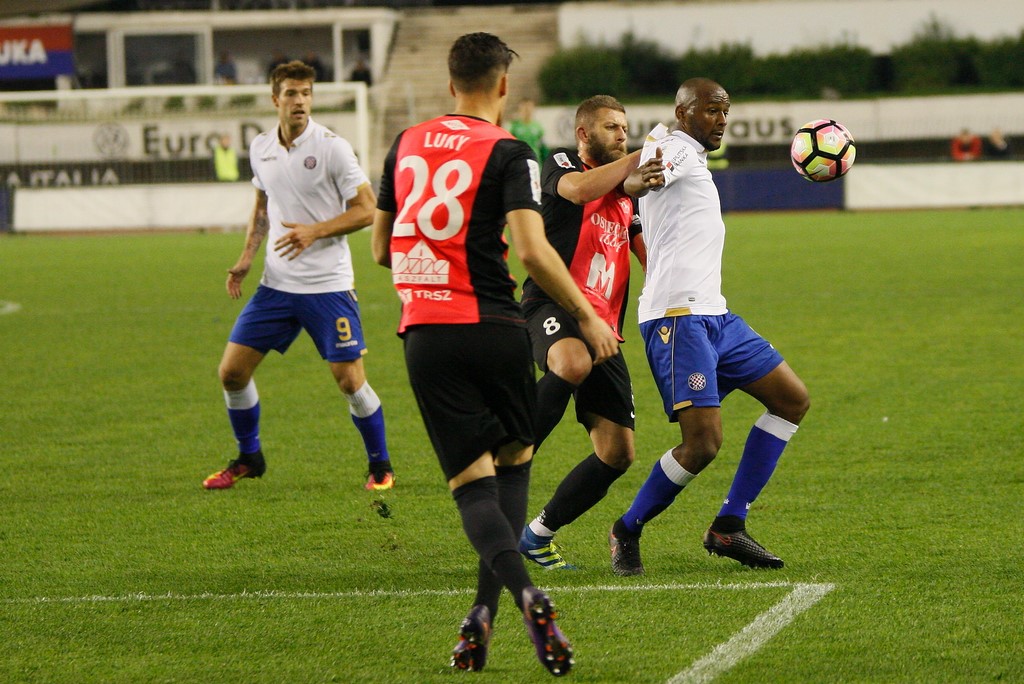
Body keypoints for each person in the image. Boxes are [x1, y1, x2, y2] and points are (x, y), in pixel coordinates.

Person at [372, 32, 618, 676]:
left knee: (471, 489)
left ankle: (506, 602)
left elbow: (378, 248)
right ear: (503, 86)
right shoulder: (512, 152)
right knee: (512, 469)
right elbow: (534, 251)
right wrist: (587, 315)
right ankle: (498, 607)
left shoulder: (403, 145)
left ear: (450, 83)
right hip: (496, 326)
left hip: (426, 334)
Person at [608, 77, 810, 575]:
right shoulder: (673, 148)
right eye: (712, 110)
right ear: (683, 113)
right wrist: (638, 180)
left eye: (726, 111)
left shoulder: (689, 153)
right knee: (703, 444)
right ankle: (627, 529)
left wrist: (642, 179)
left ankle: (729, 526)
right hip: (678, 317)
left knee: (791, 400)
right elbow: (640, 176)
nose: (722, 119)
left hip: (716, 315)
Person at [203, 60, 395, 493]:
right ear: (276, 99)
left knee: (350, 381)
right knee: (231, 373)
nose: (301, 101)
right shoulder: (261, 147)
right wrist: (246, 257)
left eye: (307, 93)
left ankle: (380, 464)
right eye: (292, 93)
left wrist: (316, 231)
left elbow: (367, 209)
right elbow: (262, 206)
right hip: (276, 286)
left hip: (328, 286)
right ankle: (250, 457)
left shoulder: (332, 147)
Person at [517, 95, 658, 571]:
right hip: (551, 304)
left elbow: (650, 257)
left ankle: (537, 535)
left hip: (605, 328)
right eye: (612, 127)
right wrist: (644, 155)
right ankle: (510, 465)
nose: (622, 134)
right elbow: (577, 191)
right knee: (571, 362)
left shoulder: (625, 197)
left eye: (627, 127)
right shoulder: (559, 164)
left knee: (618, 453)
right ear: (584, 133)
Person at [508, 97, 546, 162]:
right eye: (524, 108)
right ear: (520, 109)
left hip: (535, 160)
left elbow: (543, 147)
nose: (527, 110)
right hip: (520, 160)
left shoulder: (538, 127)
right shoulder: (514, 127)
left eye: (529, 107)